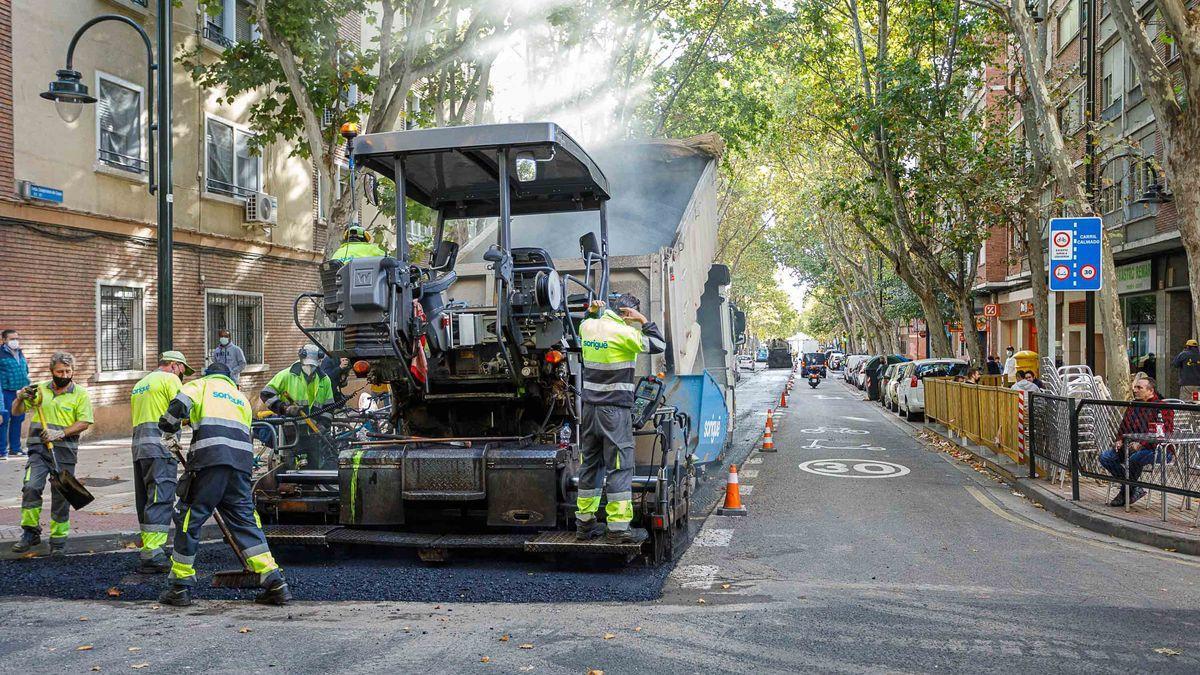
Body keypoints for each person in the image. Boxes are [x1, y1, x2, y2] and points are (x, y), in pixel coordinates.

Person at [157, 362, 290, 606]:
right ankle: (274, 580)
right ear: (231, 379)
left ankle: (179, 585)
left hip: (209, 462)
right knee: (244, 520)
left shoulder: (200, 385)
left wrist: (167, 427)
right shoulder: (240, 398)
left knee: (189, 517)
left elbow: (178, 407)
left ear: (208, 374)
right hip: (240, 465)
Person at [576, 293, 666, 544]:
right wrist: (643, 320)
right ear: (627, 313)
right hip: (614, 411)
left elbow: (586, 321)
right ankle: (617, 529)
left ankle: (585, 524)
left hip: (589, 410)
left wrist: (593, 312)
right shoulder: (625, 334)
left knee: (590, 465)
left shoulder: (589, 326)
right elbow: (658, 345)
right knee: (619, 466)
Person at [10, 352, 93, 555]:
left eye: (68, 371)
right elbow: (16, 412)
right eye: (60, 371)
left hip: (65, 453)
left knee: (61, 497)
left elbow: (85, 422)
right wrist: (19, 398)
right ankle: (30, 532)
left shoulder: (80, 393)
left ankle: (58, 541)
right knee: (31, 487)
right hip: (38, 450)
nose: (64, 374)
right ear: (51, 371)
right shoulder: (39, 390)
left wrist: (60, 433)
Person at [129, 351, 194, 573]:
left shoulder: (141, 383)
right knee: (160, 497)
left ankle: (149, 546)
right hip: (160, 448)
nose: (183, 375)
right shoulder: (170, 380)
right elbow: (181, 410)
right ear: (175, 366)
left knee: (146, 498)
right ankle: (154, 553)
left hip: (139, 449)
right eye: (183, 370)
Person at [1099, 376, 1174, 507]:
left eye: (1139, 388)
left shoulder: (1162, 407)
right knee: (1105, 457)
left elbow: (1163, 434)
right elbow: (1123, 428)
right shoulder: (1133, 406)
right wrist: (1120, 440)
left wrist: (1141, 444)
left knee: (1135, 458)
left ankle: (1125, 491)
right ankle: (1134, 488)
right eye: (1135, 387)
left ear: (1151, 391)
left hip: (1159, 449)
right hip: (1130, 447)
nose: (1135, 390)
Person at [260, 344, 336, 468]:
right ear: (301, 360)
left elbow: (329, 407)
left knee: (313, 468)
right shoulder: (287, 375)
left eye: (313, 365)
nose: (310, 368)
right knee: (288, 467)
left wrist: (323, 425)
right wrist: (284, 408)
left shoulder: (324, 380)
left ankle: (310, 486)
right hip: (290, 432)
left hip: (313, 433)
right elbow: (266, 394)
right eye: (307, 365)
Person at [0, 328, 30, 459]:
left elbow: (25, 369)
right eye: (12, 339)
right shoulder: (1, 353)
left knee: (18, 419)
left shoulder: (20, 352)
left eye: (17, 338)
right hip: (6, 391)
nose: (15, 341)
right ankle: (2, 451)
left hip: (20, 391)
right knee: (4, 419)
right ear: (4, 340)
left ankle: (15, 449)